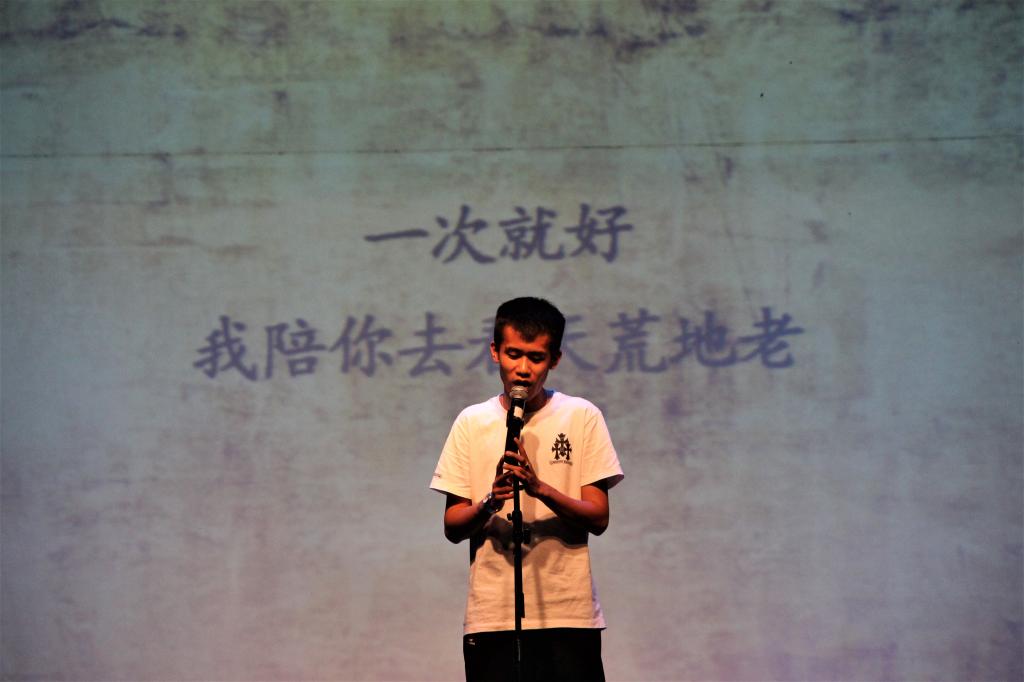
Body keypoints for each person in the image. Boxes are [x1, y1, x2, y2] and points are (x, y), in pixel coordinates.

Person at [430, 297, 624, 682]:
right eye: (513, 354)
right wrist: (490, 502)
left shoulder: (581, 415)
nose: (523, 369)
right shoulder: (472, 422)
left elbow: (599, 516)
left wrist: (539, 488)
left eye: (536, 358)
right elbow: (453, 525)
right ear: (495, 352)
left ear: (555, 359)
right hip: (493, 616)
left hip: (567, 613)